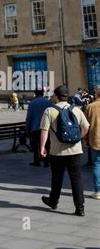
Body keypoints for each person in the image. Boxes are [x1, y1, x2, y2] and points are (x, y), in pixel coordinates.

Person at [40, 85, 89, 216]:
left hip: (57, 151)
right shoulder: (76, 110)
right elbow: (86, 127)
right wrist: (78, 137)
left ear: (56, 96)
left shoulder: (50, 110)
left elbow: (44, 130)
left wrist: (42, 147)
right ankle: (80, 207)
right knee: (76, 179)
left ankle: (53, 201)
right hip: (75, 150)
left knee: (57, 178)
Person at [26, 89, 51, 167]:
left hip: (35, 127)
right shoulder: (48, 102)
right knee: (47, 144)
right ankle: (47, 161)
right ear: (43, 94)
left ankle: (37, 161)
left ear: (35, 94)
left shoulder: (32, 103)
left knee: (35, 145)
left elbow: (29, 117)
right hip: (46, 127)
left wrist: (27, 128)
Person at [85, 87, 100, 199]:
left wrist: (85, 140)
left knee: (97, 164)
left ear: (97, 94)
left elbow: (85, 125)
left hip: (96, 139)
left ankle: (98, 191)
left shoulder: (91, 107)